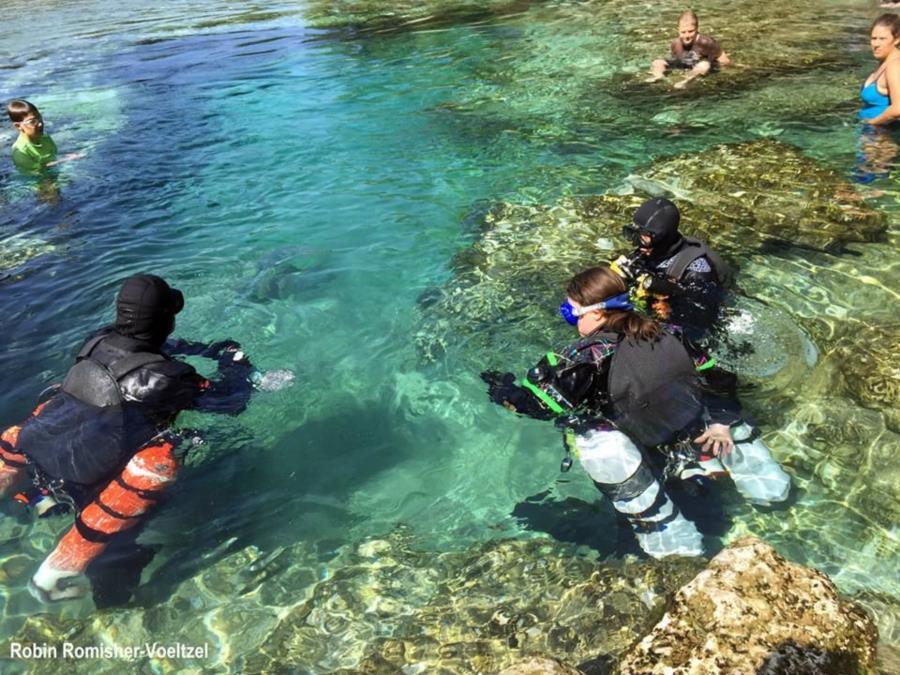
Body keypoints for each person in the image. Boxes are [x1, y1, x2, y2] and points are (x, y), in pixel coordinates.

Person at [481, 266, 791, 559]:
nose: (571, 320)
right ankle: (762, 482)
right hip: (691, 429)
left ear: (597, 313)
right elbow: (720, 376)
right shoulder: (670, 331)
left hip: (638, 444)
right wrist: (722, 421)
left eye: (570, 311)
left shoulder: (580, 360)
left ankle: (663, 528)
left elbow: (538, 407)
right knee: (710, 412)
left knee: (591, 437)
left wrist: (501, 388)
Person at [0, 274, 254, 603]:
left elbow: (150, 349)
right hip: (95, 476)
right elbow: (231, 403)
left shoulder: (96, 341)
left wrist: (198, 349)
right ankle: (86, 591)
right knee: (158, 467)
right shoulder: (166, 379)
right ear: (167, 319)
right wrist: (236, 362)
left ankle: (27, 495)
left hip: (43, 447)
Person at [613, 197, 731, 346]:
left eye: (644, 238)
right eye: (633, 234)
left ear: (662, 238)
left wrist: (666, 306)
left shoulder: (697, 271)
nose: (636, 243)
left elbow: (701, 322)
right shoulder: (648, 252)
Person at [646, 11, 731, 89]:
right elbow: (676, 61)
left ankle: (686, 80)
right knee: (657, 62)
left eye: (691, 31)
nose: (687, 36)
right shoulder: (675, 44)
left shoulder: (706, 42)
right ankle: (658, 77)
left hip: (702, 67)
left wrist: (726, 75)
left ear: (697, 29)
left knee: (704, 65)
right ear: (678, 30)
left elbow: (724, 60)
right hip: (685, 64)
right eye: (683, 32)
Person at [6, 99, 81, 174]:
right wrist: (66, 160)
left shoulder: (45, 137)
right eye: (32, 122)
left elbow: (53, 155)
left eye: (39, 118)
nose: (40, 124)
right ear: (18, 126)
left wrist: (66, 155)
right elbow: (38, 170)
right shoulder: (21, 152)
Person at [860, 14, 900, 124]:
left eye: (882, 39)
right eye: (873, 38)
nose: (876, 44)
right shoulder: (884, 62)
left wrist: (872, 123)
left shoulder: (895, 66)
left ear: (896, 39)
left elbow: (898, 108)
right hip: (873, 132)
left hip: (882, 134)